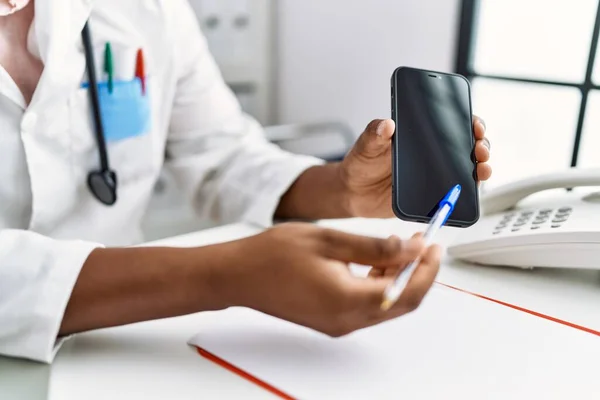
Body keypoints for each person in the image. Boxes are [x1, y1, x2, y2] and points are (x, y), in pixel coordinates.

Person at [0, 0, 492, 363]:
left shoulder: (146, 9)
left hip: (117, 345)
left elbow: (221, 155)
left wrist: (343, 188)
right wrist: (220, 274)